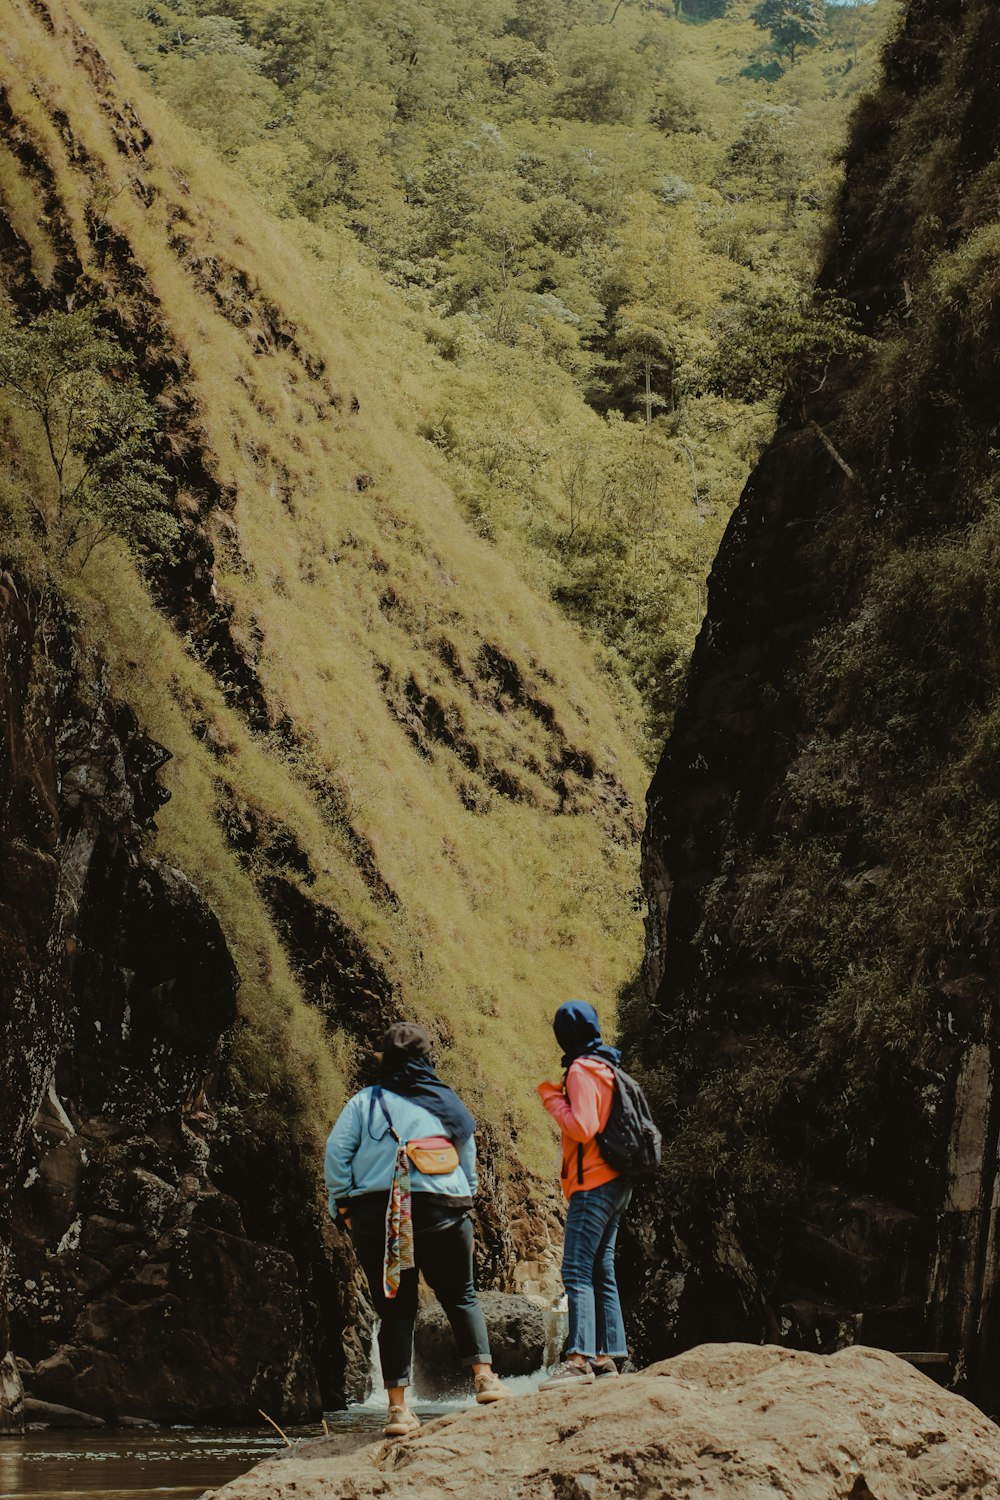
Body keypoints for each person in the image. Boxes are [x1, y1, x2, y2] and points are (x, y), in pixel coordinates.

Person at [325, 1021, 506, 1435]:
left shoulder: (364, 1102)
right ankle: (484, 1379)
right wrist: (467, 1195)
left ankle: (398, 1410)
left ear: (386, 1061)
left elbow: (336, 1153)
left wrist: (344, 1205)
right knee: (461, 1294)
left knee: (395, 1311)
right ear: (425, 1059)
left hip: (380, 1213)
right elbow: (467, 1153)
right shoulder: (444, 1101)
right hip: (444, 1208)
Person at [536, 1000, 631, 1389]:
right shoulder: (609, 1067)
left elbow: (583, 1126)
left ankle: (577, 1360)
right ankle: (607, 1357)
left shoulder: (580, 1069)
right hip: (618, 1182)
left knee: (576, 1269)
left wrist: (552, 1100)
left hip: (592, 1184)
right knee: (600, 1268)